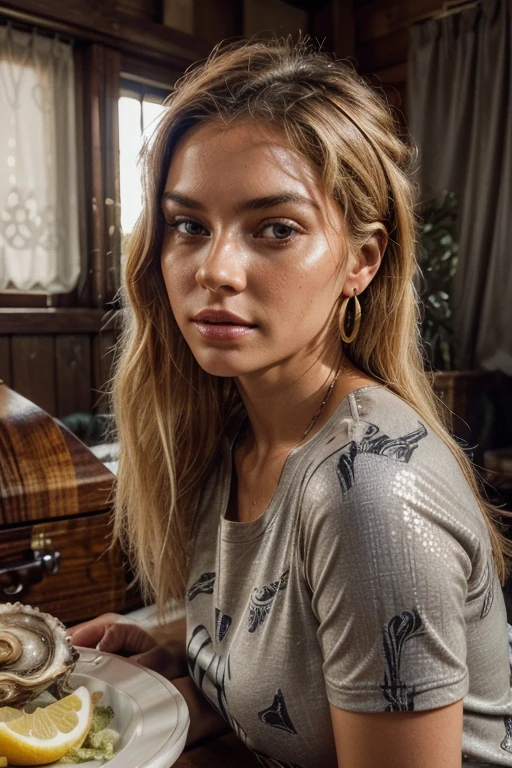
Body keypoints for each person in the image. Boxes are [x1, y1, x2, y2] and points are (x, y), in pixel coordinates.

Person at [69, 38, 512, 768]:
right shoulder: (235, 434)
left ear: (360, 262)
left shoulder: (369, 491)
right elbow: (295, 666)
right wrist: (179, 647)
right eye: (189, 225)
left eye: (275, 228)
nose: (215, 269)